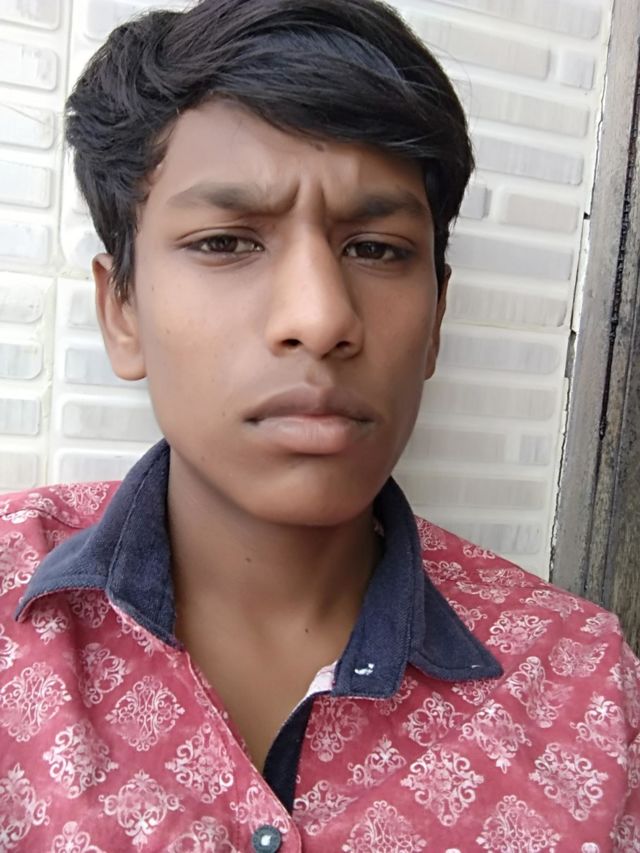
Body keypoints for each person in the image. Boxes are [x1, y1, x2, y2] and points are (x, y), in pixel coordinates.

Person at [0, 0, 637, 849]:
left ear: (437, 321)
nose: (320, 316)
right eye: (226, 241)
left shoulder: (588, 687)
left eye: (376, 248)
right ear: (122, 310)